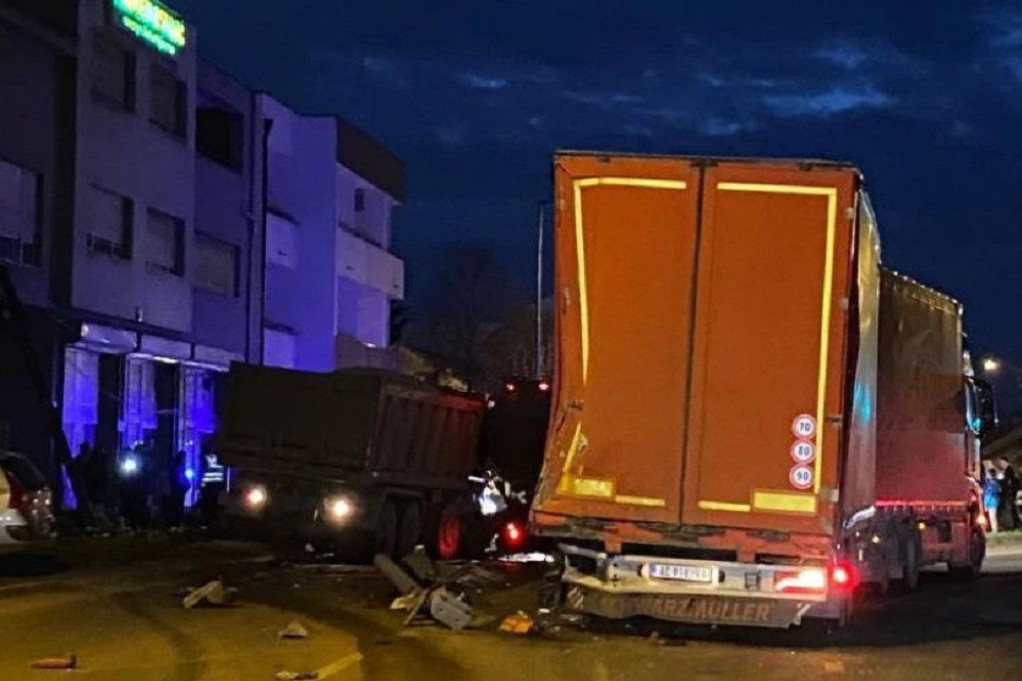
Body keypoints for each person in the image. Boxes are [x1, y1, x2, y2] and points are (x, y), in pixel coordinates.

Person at [167, 450, 188, 529]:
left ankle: (176, 522)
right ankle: (177, 522)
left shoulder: (176, 466)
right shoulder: (178, 467)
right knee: (178, 506)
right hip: (178, 489)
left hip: (178, 489)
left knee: (178, 505)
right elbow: (180, 478)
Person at [998, 465, 1021, 532]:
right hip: (1011, 497)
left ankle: (1010, 525)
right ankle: (1012, 525)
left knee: (1009, 512)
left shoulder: (1007, 481)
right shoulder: (1015, 480)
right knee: (1012, 511)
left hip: (1008, 497)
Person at [983, 468, 1001, 534]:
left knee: (992, 517)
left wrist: (986, 504)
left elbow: (990, 494)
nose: (986, 475)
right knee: (992, 517)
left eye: (987, 474)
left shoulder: (992, 483)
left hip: (992, 502)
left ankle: (995, 530)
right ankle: (994, 529)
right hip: (992, 502)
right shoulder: (990, 483)